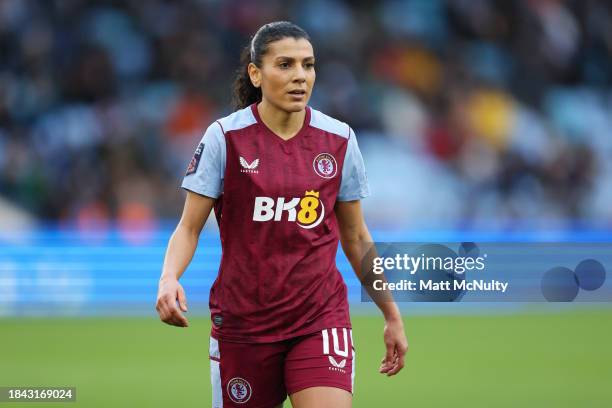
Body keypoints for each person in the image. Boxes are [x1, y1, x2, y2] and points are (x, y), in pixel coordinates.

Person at [156, 21, 408, 408]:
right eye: (285, 65)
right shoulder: (225, 138)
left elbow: (356, 237)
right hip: (244, 327)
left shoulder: (339, 140)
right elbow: (188, 228)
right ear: (256, 74)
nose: (300, 77)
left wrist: (391, 314)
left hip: (319, 318)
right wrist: (169, 278)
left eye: (308, 65)